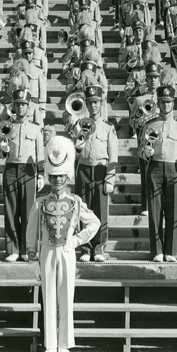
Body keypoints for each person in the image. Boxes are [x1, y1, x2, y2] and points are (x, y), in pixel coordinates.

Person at [26, 136, 99, 352]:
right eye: (54, 177)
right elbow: (31, 228)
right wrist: (31, 250)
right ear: (49, 178)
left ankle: (65, 345)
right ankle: (50, 344)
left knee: (66, 298)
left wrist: (77, 241)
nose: (57, 181)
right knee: (48, 297)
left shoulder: (76, 201)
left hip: (67, 252)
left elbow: (94, 222)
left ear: (67, 178)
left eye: (60, 177)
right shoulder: (40, 202)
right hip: (47, 251)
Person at [139, 67, 177, 262]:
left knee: (172, 212)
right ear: (158, 102)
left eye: (168, 102)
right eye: (162, 102)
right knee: (154, 212)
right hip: (155, 169)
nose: (166, 105)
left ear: (173, 103)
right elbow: (141, 151)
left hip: (173, 169)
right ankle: (157, 251)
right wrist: (145, 152)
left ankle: (171, 251)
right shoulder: (150, 124)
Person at [0, 86, 45, 262]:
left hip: (29, 169)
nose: (20, 108)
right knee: (11, 210)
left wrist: (40, 174)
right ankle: (13, 249)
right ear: (14, 107)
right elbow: (0, 153)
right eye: (17, 105)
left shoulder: (36, 128)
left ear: (28, 107)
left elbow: (40, 153)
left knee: (28, 212)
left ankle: (26, 248)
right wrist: (3, 149)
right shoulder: (6, 127)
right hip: (11, 168)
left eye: (23, 105)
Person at [75, 84, 118, 262]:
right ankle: (85, 248)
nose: (93, 106)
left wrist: (110, 178)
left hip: (101, 170)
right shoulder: (80, 124)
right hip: (83, 169)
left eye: (96, 102)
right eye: (90, 102)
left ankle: (99, 248)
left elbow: (113, 154)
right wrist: (78, 142)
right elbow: (76, 151)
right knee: (83, 209)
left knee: (100, 210)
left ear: (101, 103)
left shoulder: (108, 127)